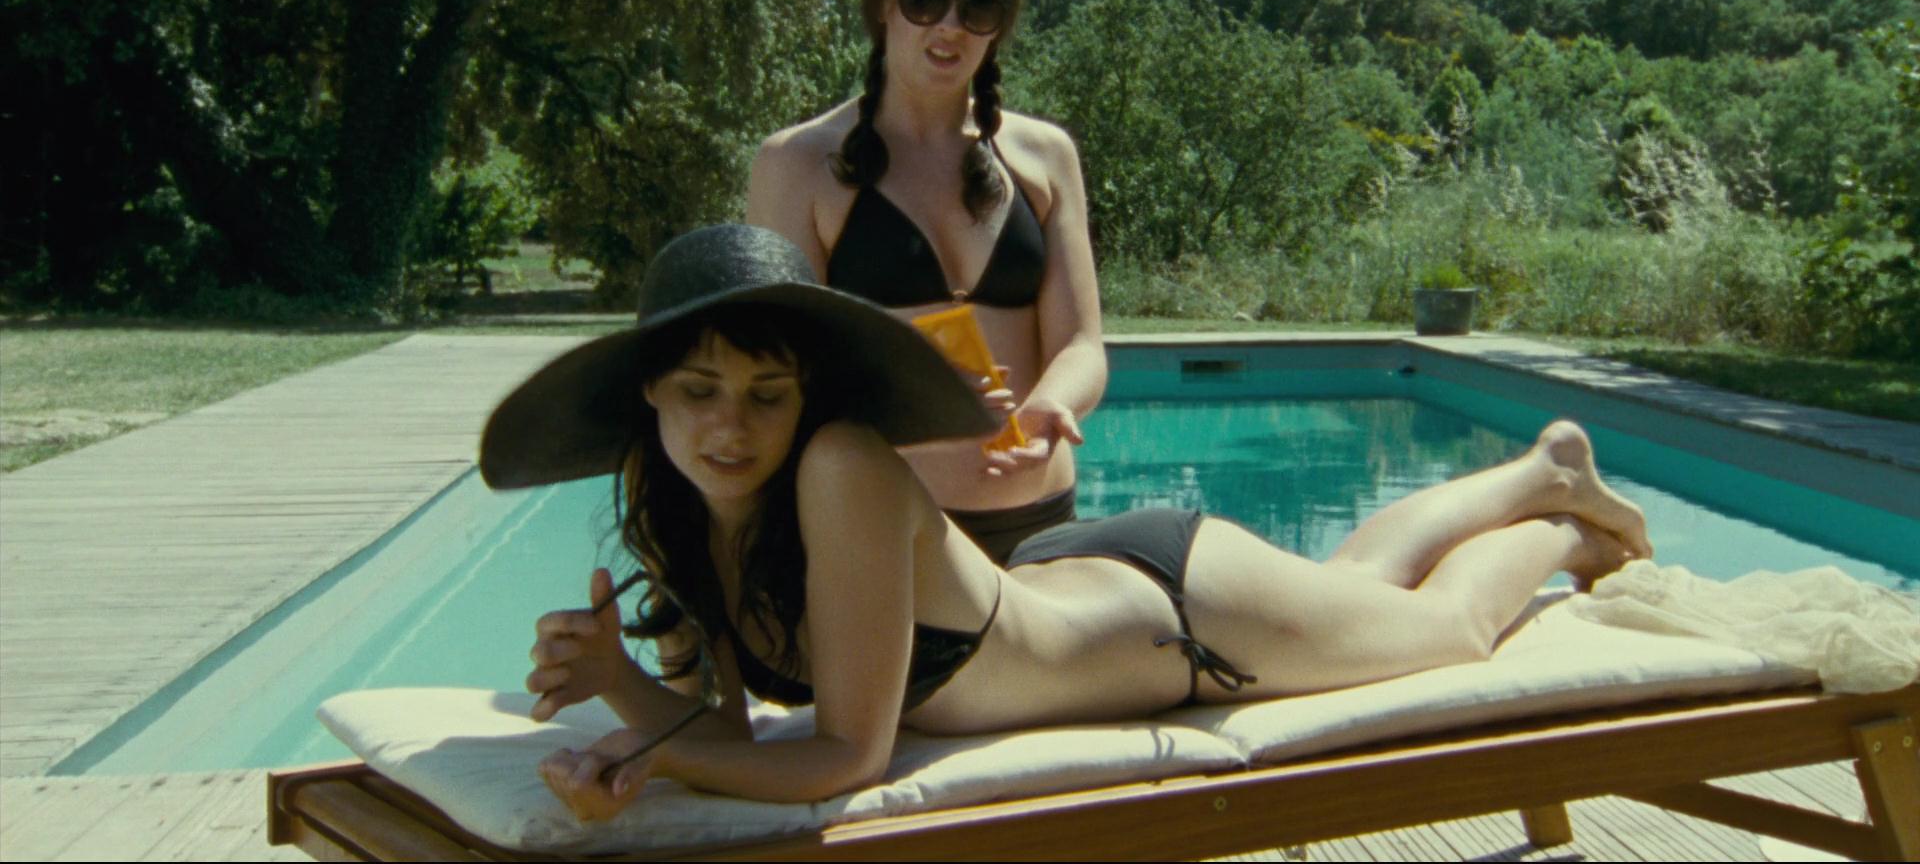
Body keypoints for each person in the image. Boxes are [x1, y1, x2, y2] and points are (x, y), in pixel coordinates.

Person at [482, 224, 1653, 819]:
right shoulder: (678, 504)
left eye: (765, 392)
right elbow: (726, 727)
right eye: (699, 390)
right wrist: (618, 688)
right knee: (1361, 580)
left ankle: (1557, 520)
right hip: (1066, 586)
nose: (729, 426)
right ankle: (1545, 466)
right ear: (650, 391)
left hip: (1176, 615)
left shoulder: (839, 465)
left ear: (809, 396)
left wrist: (643, 749)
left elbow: (845, 755)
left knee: (1446, 628)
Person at [746, 0, 1100, 562]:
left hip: (1042, 522)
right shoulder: (796, 165)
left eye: (979, 6)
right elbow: (778, 367)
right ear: (883, 2)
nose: (950, 27)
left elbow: (1082, 344)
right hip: (884, 528)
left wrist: (1053, 405)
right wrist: (915, 399)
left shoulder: (1045, 157)